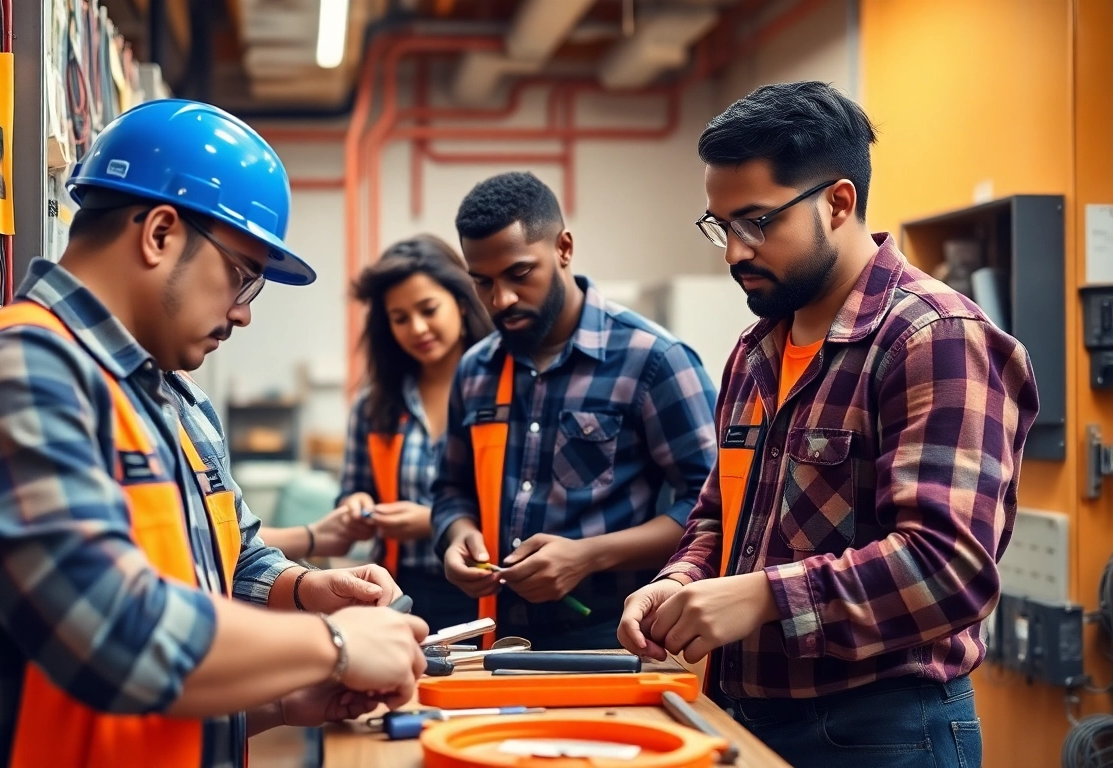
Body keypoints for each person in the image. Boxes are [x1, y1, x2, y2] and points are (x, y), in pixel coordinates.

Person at [0, 99, 427, 768]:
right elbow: (113, 632)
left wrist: (302, 610)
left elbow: (226, 561)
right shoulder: (20, 376)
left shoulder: (172, 396)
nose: (242, 314)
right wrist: (333, 644)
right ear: (159, 233)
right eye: (241, 277)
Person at [617, 81, 1039, 768]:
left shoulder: (933, 338)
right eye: (721, 226)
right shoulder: (756, 350)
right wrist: (681, 580)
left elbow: (950, 568)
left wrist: (765, 597)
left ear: (838, 203)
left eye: (756, 223)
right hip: (745, 714)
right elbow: (721, 517)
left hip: (883, 733)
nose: (733, 253)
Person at [432, 171, 719, 650]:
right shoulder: (476, 370)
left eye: (519, 274)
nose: (501, 300)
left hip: (610, 638)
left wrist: (590, 556)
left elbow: (714, 507)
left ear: (563, 248)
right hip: (496, 634)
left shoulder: (654, 360)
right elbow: (450, 489)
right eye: (482, 282)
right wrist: (457, 534)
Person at [265, 236, 495, 630]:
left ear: (461, 301)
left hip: (485, 586)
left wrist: (434, 521)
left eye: (429, 309)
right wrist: (356, 505)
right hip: (399, 591)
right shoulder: (375, 403)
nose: (417, 328)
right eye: (400, 318)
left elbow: (521, 506)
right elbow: (354, 490)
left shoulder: (500, 392)